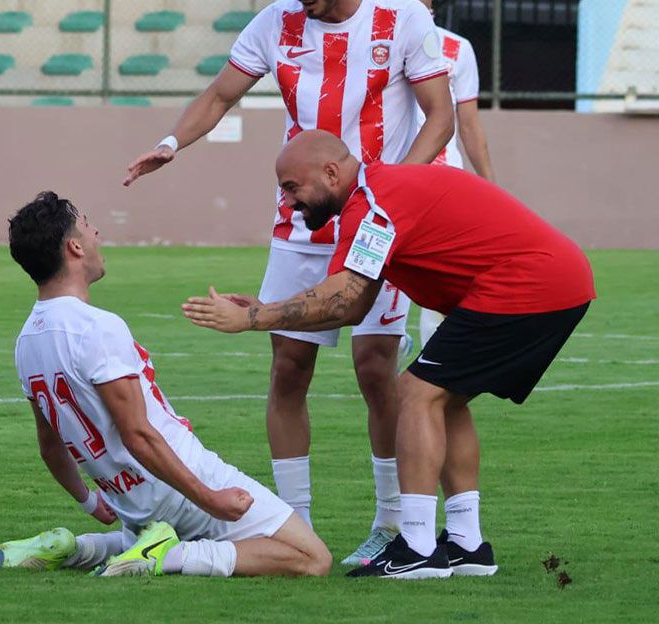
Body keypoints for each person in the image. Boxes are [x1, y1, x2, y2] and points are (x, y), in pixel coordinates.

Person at [122, 0, 454, 565]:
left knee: (375, 368)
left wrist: (392, 199)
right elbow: (219, 96)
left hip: (376, 224)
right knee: (288, 368)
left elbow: (439, 117)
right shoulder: (275, 24)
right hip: (302, 222)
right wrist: (170, 143)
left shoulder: (403, 20)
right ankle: (294, 525)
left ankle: (389, 524)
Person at [181, 131, 594, 579]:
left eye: (292, 187)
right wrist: (266, 311)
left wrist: (252, 318)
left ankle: (417, 546)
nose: (288, 201)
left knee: (415, 393)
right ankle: (467, 544)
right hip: (550, 280)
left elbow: (340, 298)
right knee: (445, 399)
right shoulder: (376, 196)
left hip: (528, 284)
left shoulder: (372, 204)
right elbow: (354, 305)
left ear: (331, 173)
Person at [0, 191, 331, 579]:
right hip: (177, 482)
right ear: (74, 247)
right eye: (87, 224)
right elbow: (138, 435)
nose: (96, 232)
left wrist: (90, 502)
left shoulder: (26, 341)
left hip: (131, 502)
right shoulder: (97, 327)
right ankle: (168, 556)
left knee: (141, 536)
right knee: (311, 556)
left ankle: (76, 548)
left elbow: (50, 446)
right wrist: (210, 498)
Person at [386, 0, 497, 347]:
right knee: (388, 275)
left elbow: (469, 124)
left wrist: (490, 187)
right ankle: (392, 342)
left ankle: (434, 366)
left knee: (443, 281)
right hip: (393, 178)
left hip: (443, 183)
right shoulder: (378, 47)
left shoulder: (457, 49)